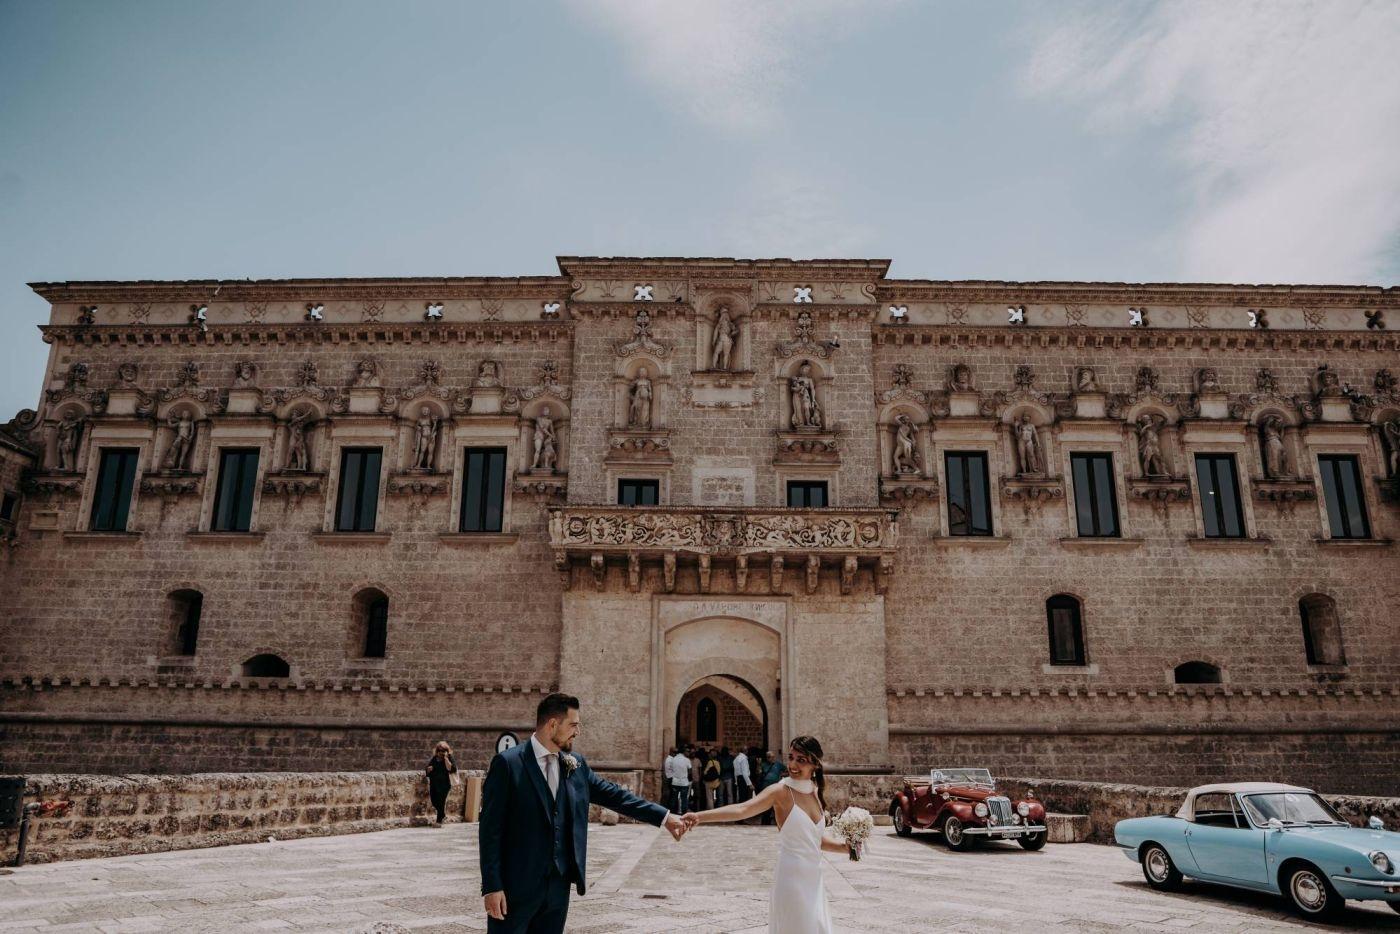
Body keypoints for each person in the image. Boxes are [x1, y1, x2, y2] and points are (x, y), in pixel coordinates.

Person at [479, 693, 689, 933]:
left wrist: (664, 817)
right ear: (552, 725)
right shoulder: (508, 764)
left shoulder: (575, 764)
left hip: (558, 890)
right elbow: (490, 830)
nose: (578, 732)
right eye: (573, 725)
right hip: (514, 890)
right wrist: (492, 886)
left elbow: (616, 796)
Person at [684, 736, 853, 934]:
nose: (793, 765)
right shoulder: (780, 791)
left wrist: (846, 848)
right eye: (791, 757)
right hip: (791, 879)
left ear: (815, 764)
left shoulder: (815, 792)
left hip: (815, 879)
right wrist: (699, 816)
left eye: (801, 760)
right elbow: (742, 810)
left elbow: (814, 840)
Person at [425, 741, 458, 826]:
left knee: (441, 802)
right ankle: (442, 814)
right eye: (439, 750)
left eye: (443, 750)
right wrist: (429, 769)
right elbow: (427, 769)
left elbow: (452, 769)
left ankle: (439, 821)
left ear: (447, 751)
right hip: (434, 783)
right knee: (434, 801)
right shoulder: (434, 758)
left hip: (445, 784)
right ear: (437, 751)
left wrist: (446, 759)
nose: (441, 752)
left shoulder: (449, 758)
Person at [759, 751, 785, 825]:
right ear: (767, 758)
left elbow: (787, 770)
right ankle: (765, 821)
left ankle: (777, 821)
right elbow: (759, 773)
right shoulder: (763, 765)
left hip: (775, 787)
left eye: (773, 757)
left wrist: (781, 775)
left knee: (776, 804)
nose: (773, 758)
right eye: (770, 757)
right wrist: (758, 765)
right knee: (766, 803)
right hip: (766, 787)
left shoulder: (778, 764)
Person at [664, 746, 691, 814]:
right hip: (684, 782)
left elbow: (671, 769)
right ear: (684, 752)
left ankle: (672, 813)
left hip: (675, 782)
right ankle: (684, 813)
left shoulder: (673, 760)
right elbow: (690, 770)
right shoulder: (687, 760)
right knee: (684, 799)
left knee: (673, 798)